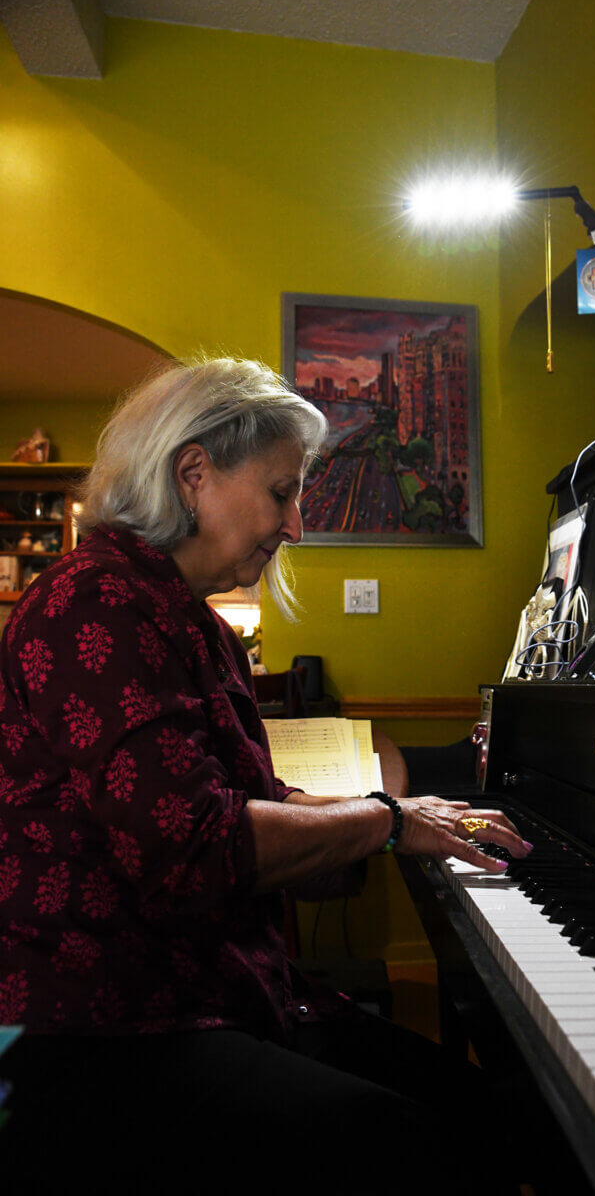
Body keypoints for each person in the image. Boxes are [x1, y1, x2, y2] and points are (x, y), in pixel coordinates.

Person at [0, 359, 529, 1194]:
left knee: (479, 1105)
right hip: (108, 1028)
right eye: (282, 493)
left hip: (212, 993)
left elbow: (249, 801)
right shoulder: (91, 604)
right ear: (194, 474)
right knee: (414, 1140)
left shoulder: (187, 619)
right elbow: (195, 845)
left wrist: (401, 818)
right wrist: (385, 820)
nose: (295, 522)